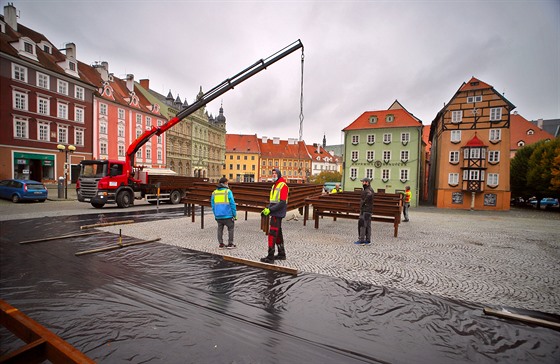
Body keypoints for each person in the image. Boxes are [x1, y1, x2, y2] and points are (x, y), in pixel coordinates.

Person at [260, 168, 289, 263]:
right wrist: (267, 208)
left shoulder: (282, 186)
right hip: (275, 211)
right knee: (278, 233)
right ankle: (281, 253)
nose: (273, 175)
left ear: (279, 174)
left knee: (272, 233)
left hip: (278, 212)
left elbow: (282, 202)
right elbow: (273, 201)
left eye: (275, 173)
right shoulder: (274, 186)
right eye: (272, 173)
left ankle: (270, 256)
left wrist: (270, 209)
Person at [211, 177, 237, 249]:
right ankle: (230, 244)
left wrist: (215, 214)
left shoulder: (214, 193)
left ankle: (221, 244)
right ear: (225, 183)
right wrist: (234, 215)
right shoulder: (228, 191)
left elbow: (213, 205)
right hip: (228, 215)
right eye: (227, 182)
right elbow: (232, 204)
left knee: (220, 229)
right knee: (230, 229)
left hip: (218, 216)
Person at [354, 177, 373, 246]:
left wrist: (362, 204)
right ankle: (368, 240)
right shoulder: (369, 189)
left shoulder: (367, 190)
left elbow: (368, 196)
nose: (362, 183)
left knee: (362, 224)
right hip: (369, 210)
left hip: (365, 210)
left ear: (367, 182)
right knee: (368, 225)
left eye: (363, 182)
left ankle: (361, 240)